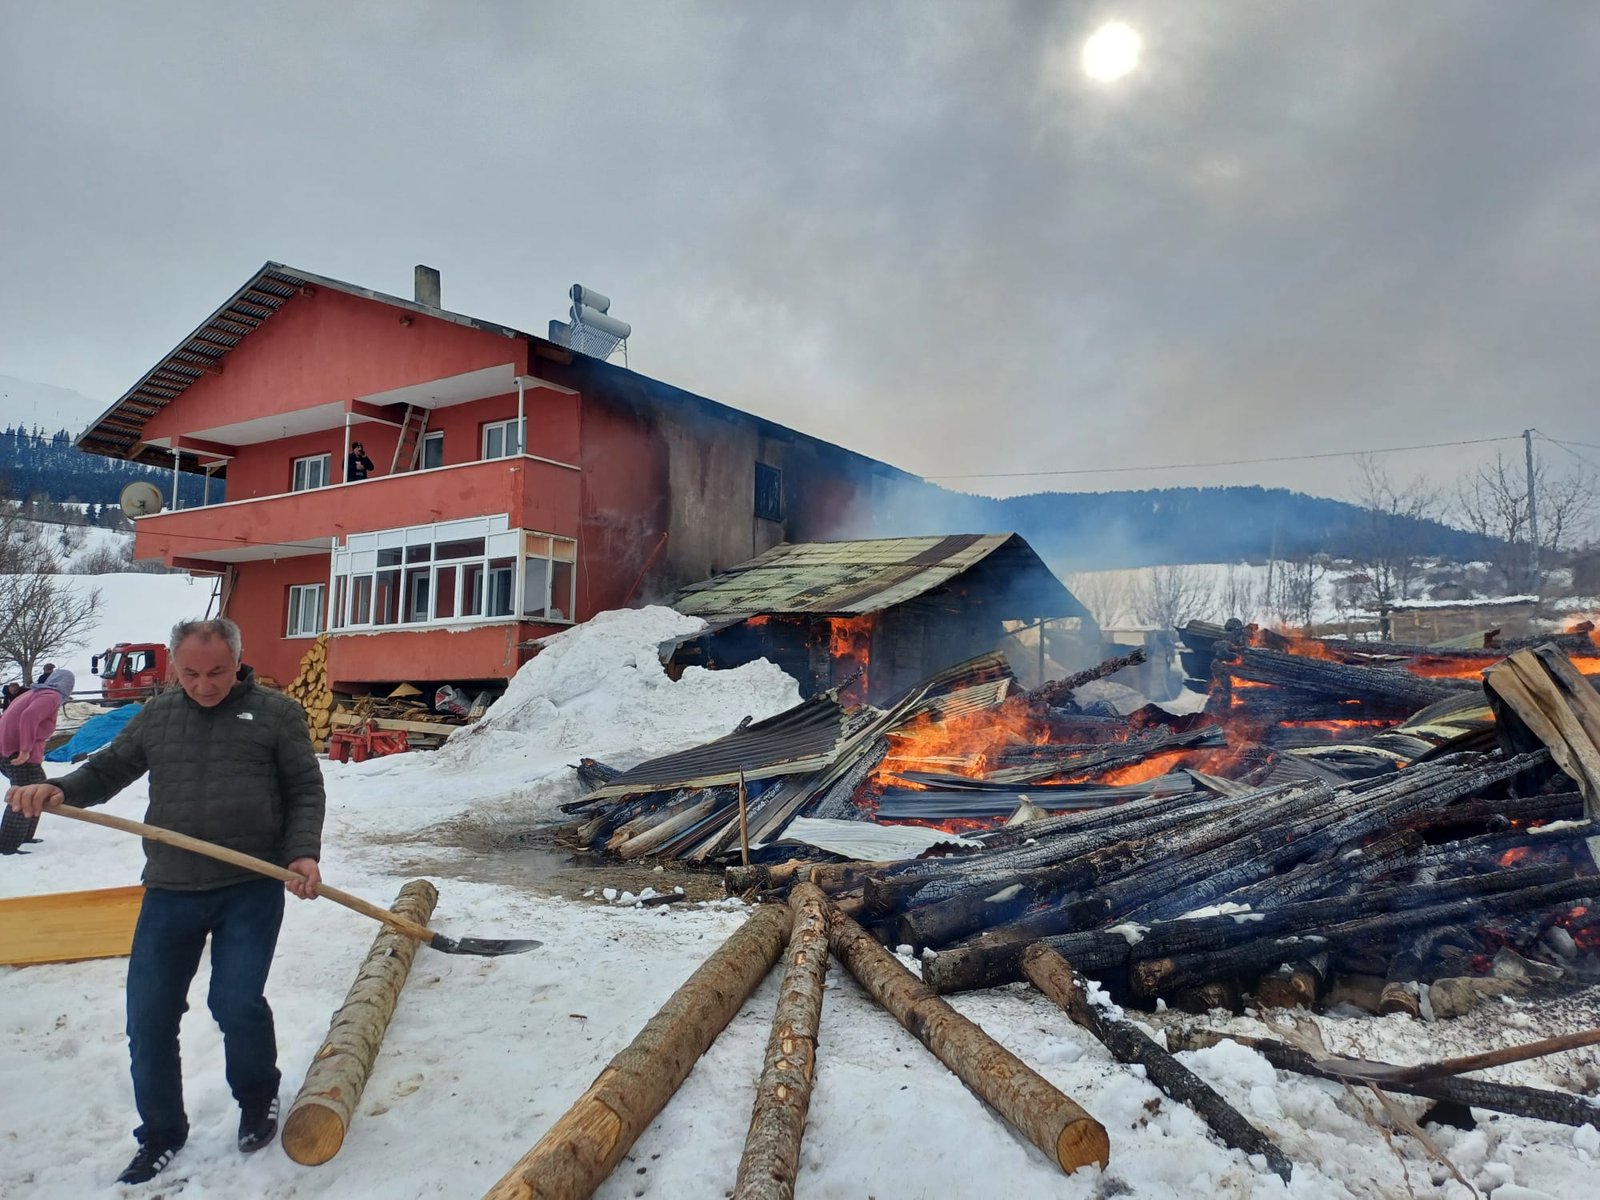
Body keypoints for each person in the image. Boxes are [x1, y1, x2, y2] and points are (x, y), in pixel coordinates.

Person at [5, 618, 325, 1185]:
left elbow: (304, 789)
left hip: (250, 884)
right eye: (191, 674)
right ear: (176, 668)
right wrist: (61, 788)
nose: (204, 685)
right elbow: (109, 768)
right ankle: (160, 1133)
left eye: (217, 672)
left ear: (238, 662)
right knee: (149, 1016)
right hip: (171, 887)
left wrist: (301, 853)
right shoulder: (158, 715)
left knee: (236, 1002)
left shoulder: (276, 714)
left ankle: (257, 1098)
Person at [0, 668, 75, 853]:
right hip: (18, 753)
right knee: (25, 793)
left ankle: (24, 836)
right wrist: (25, 749)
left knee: (37, 789)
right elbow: (29, 717)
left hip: (9, 750)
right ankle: (7, 845)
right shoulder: (50, 696)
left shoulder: (36, 693)